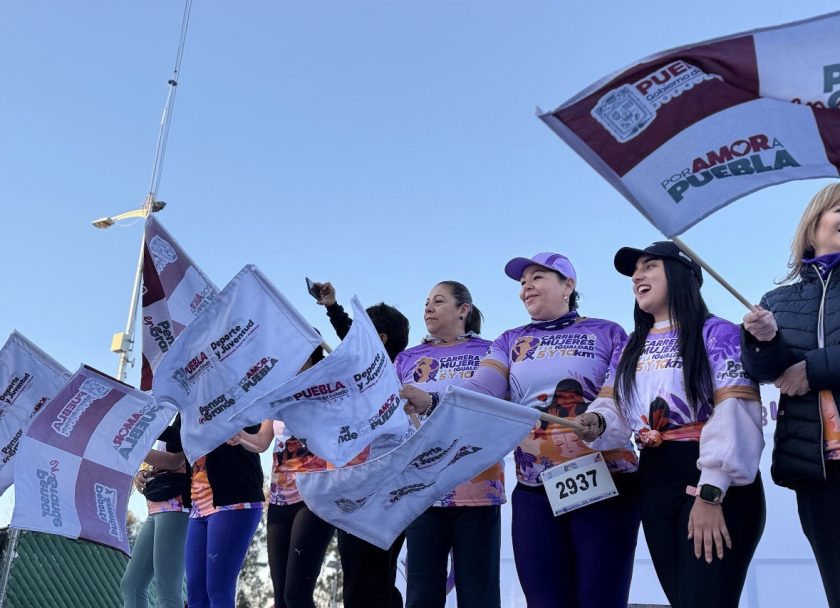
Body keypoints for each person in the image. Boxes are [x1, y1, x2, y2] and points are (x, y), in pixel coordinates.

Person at [401, 253, 639, 608]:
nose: (526, 286)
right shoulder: (509, 340)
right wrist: (433, 399)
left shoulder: (609, 332)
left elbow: (617, 392)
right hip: (536, 487)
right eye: (523, 281)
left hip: (605, 478)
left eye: (537, 277)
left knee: (599, 598)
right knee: (544, 601)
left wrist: (600, 421)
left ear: (568, 285)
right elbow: (480, 392)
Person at [576, 241, 765, 608]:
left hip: (712, 480)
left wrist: (711, 492)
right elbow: (614, 407)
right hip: (654, 479)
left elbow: (736, 412)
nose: (637, 277)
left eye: (649, 267)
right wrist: (596, 422)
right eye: (635, 272)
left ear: (681, 274)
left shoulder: (718, 333)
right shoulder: (632, 345)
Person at [741, 183, 840, 607]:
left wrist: (813, 370)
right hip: (817, 467)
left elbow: (802, 373)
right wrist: (762, 340)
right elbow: (763, 372)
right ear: (813, 224)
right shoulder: (777, 300)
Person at [395, 280, 503, 608]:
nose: (428, 307)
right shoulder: (407, 358)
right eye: (427, 302)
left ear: (463, 310)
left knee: (479, 596)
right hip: (422, 491)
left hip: (478, 489)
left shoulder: (491, 351)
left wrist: (431, 401)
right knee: (421, 596)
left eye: (439, 301)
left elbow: (494, 404)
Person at [312, 280, 409, 608]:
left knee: (376, 584)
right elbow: (351, 337)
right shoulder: (363, 374)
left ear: (380, 340)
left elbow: (355, 340)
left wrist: (334, 311)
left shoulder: (394, 375)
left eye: (361, 333)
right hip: (352, 492)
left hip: (384, 494)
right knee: (358, 583)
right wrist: (332, 307)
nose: (354, 341)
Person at [232, 346, 337, 608]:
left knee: (296, 595)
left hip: (314, 497)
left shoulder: (328, 390)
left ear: (312, 355)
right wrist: (240, 436)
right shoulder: (277, 393)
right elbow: (261, 442)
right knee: (280, 598)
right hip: (279, 500)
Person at [183, 419, 269, 608]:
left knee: (218, 589)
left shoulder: (240, 402)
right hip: (199, 504)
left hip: (235, 499)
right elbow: (176, 441)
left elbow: (255, 436)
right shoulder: (186, 407)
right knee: (196, 593)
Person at [121, 419, 190, 608]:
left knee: (167, 589)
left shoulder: (190, 413)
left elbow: (177, 460)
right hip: (156, 505)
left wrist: (134, 448)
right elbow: (162, 463)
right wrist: (142, 473)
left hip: (176, 504)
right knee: (131, 584)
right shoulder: (170, 417)